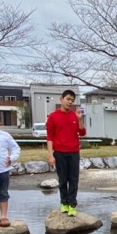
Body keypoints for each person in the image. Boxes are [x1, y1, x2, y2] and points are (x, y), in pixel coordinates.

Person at [46, 89, 86, 217]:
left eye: (72, 101)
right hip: (59, 152)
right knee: (63, 180)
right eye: (68, 99)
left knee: (74, 180)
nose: (70, 102)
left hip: (73, 152)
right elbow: (50, 137)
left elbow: (82, 133)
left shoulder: (75, 115)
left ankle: (72, 204)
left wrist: (80, 119)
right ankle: (64, 202)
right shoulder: (53, 116)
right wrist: (50, 155)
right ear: (61, 99)